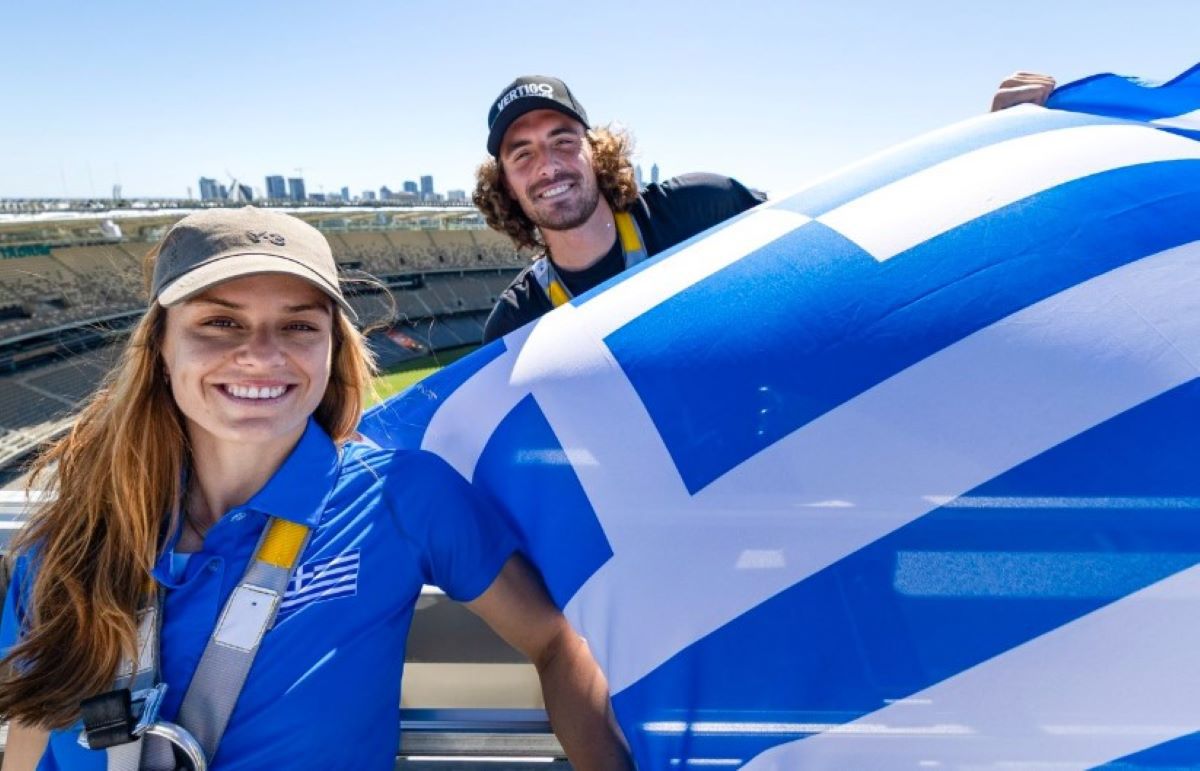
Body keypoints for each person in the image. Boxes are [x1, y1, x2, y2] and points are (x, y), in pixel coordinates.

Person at [0, 207, 631, 770]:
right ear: (161, 349)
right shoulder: (68, 541)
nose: (261, 354)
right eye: (220, 322)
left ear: (334, 349)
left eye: (299, 326)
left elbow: (554, 639)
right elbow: (27, 732)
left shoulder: (401, 496)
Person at [474, 72, 1056, 343]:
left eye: (562, 141)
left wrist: (989, 141)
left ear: (594, 151)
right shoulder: (515, 325)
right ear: (504, 184)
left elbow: (841, 235)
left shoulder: (700, 207)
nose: (548, 167)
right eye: (521, 154)